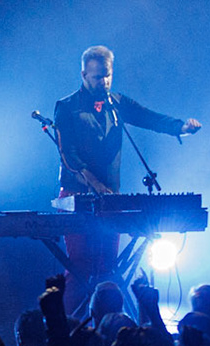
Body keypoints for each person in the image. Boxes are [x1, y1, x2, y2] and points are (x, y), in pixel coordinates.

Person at [52, 46, 200, 312]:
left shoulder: (117, 104)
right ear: (84, 74)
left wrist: (180, 127)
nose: (104, 82)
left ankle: (111, 325)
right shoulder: (66, 107)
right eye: (98, 77)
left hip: (110, 198)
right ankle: (68, 327)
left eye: (107, 76)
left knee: (109, 265)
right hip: (77, 195)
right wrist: (95, 185)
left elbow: (148, 117)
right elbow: (69, 157)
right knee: (80, 266)